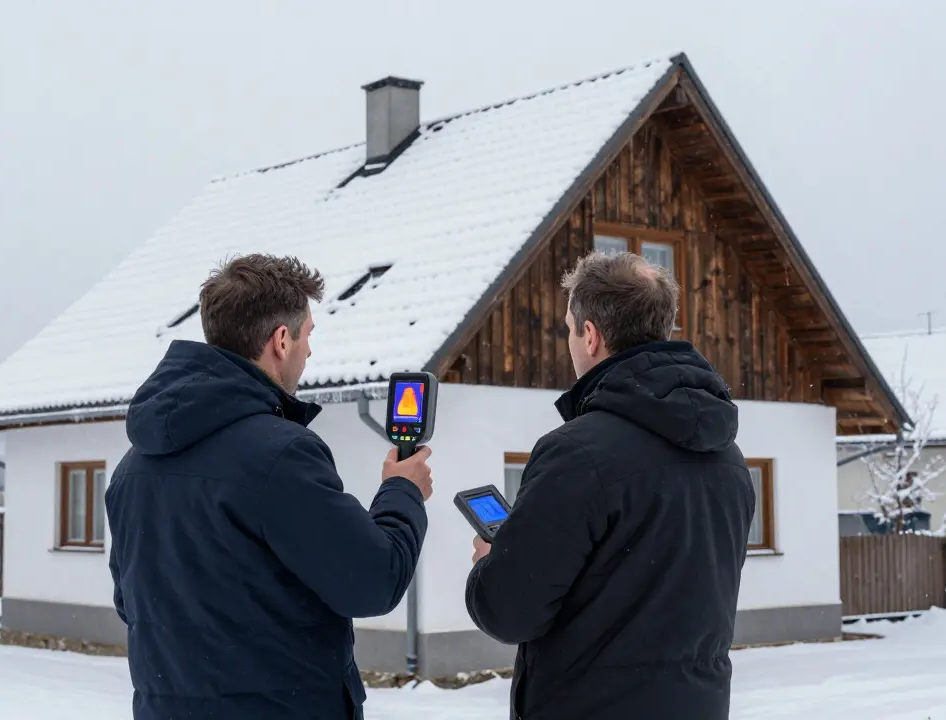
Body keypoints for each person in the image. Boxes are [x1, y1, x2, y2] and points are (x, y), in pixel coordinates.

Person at [105, 253, 432, 720]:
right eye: (308, 336)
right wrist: (403, 490)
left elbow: (131, 600)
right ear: (281, 340)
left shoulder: (132, 466)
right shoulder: (281, 455)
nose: (310, 351)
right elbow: (373, 582)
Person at [465, 250, 756, 720]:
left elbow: (509, 611)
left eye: (568, 329)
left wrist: (489, 565)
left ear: (591, 335)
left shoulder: (577, 454)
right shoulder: (728, 457)